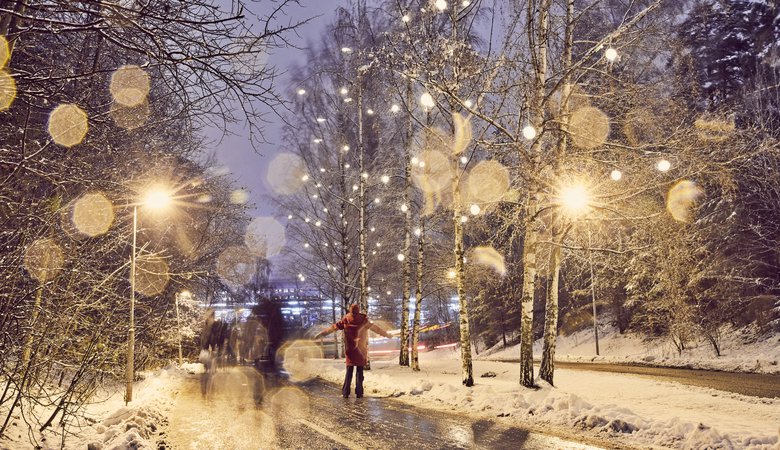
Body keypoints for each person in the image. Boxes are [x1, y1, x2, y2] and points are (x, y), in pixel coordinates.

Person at [314, 303, 392, 398]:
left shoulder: (346, 320)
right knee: (360, 372)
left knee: (349, 372)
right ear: (358, 310)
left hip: (350, 351)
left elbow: (333, 328)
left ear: (350, 310)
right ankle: (359, 392)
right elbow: (376, 329)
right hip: (360, 351)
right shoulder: (364, 320)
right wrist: (386, 335)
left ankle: (345, 392)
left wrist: (322, 334)